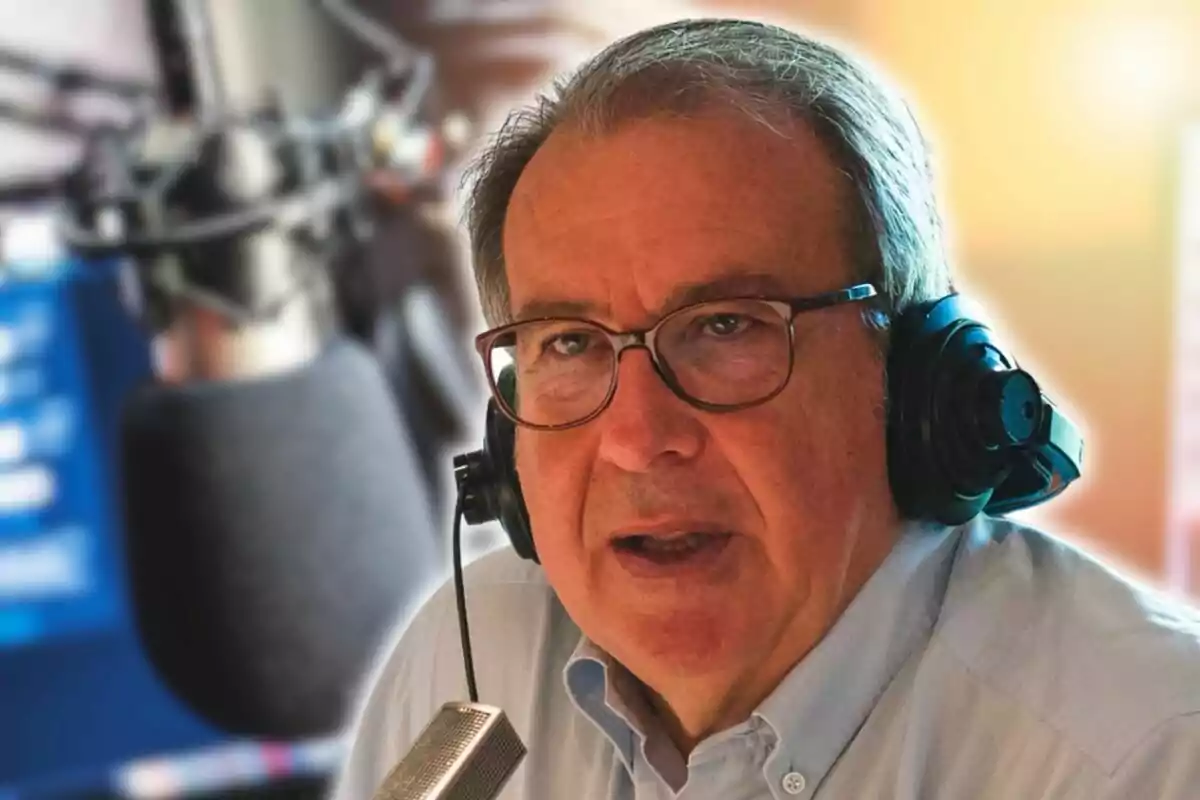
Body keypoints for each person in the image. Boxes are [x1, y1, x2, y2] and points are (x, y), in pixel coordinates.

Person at [331, 18, 1200, 799]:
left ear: (918, 385)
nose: (638, 440)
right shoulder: (469, 651)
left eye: (724, 327)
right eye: (568, 343)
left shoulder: (1150, 753)